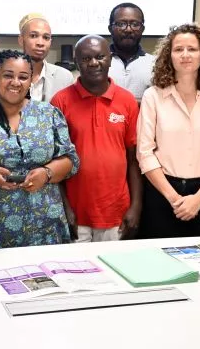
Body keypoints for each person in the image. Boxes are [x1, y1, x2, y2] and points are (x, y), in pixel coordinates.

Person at [0, 49, 80, 250]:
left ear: (30, 81)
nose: (15, 82)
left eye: (23, 77)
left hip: (44, 224)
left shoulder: (49, 114)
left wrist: (46, 173)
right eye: (8, 75)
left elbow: (70, 159)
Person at [137, 23, 200, 238]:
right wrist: (174, 199)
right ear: (168, 56)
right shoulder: (153, 96)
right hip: (162, 193)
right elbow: (145, 153)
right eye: (178, 49)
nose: (185, 55)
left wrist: (199, 199)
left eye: (192, 49)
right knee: (160, 256)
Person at [52, 35, 141, 242]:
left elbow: (133, 160)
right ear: (76, 62)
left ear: (110, 59)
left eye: (100, 57)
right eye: (86, 58)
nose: (93, 63)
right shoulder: (61, 101)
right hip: (75, 213)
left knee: (112, 263)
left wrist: (136, 206)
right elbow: (54, 161)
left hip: (116, 212)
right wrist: (64, 207)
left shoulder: (127, 100)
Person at [18, 13, 74, 103]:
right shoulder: (5, 75)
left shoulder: (64, 77)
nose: (40, 43)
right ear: (21, 40)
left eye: (46, 37)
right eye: (33, 36)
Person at [107, 3, 155, 104]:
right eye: (121, 24)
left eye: (135, 24)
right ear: (110, 28)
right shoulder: (99, 62)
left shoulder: (155, 63)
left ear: (142, 29)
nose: (128, 30)